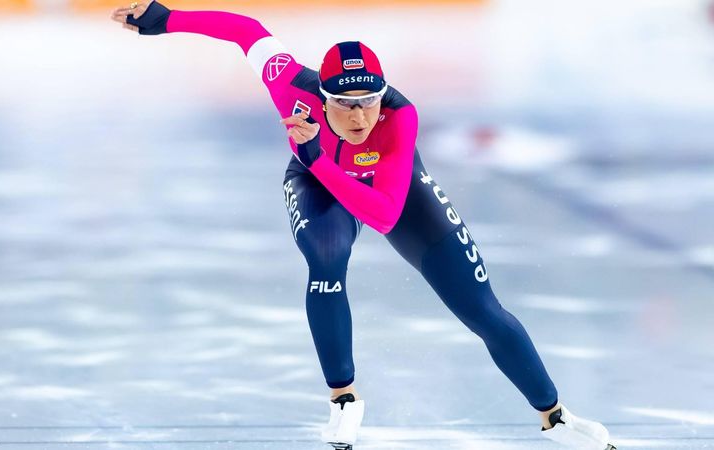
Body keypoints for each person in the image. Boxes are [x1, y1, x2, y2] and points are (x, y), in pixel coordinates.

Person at [110, 2, 616, 449]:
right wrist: (165, 19)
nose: (359, 116)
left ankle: (555, 415)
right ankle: (344, 397)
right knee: (327, 257)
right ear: (322, 96)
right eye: (345, 103)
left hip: (384, 186)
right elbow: (245, 29)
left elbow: (385, 214)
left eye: (368, 101)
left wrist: (316, 154)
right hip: (318, 182)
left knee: (482, 309)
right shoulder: (289, 82)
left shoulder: (400, 117)